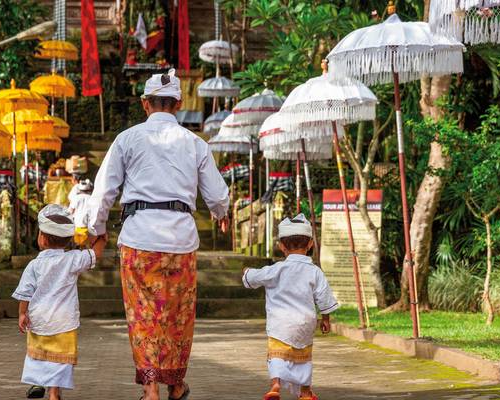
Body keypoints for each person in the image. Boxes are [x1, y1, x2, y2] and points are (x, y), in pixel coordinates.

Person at [87, 68, 230, 400]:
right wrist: (220, 214)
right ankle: (176, 385)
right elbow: (218, 196)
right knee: (178, 315)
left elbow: (103, 191)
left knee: (144, 315)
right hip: (181, 240)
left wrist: (97, 230)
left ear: (144, 104)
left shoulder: (127, 139)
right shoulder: (195, 143)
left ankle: (150, 387)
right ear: (178, 104)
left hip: (139, 238)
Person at [12, 204, 107, 399]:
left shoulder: (34, 265)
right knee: (61, 358)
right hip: (64, 320)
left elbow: (25, 293)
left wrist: (22, 313)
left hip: (39, 318)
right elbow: (95, 254)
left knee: (39, 353)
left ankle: (38, 382)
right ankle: (54, 392)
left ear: (42, 239)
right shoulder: (73, 259)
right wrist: (101, 238)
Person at [242, 214, 339, 400]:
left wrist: (246, 272)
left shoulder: (277, 269)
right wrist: (326, 319)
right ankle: (305, 392)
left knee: (278, 355)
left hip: (280, 324)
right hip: (305, 322)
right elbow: (324, 296)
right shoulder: (315, 271)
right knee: (304, 356)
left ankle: (276, 384)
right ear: (310, 244)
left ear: (281, 246)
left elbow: (254, 277)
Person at [68, 179, 94, 247]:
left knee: (77, 242)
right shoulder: (91, 198)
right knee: (86, 244)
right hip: (88, 224)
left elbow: (71, 210)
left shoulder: (76, 198)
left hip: (77, 223)